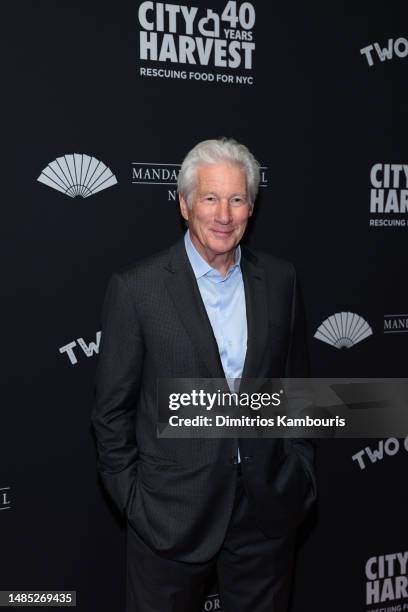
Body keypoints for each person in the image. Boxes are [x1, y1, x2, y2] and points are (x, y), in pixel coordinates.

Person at [91, 138, 317, 612]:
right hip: (169, 515)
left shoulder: (281, 281)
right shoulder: (137, 290)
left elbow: (298, 390)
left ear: (251, 208)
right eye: (210, 198)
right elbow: (112, 412)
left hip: (265, 509)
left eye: (237, 199)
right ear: (184, 203)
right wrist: (135, 503)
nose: (223, 215)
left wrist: (298, 470)